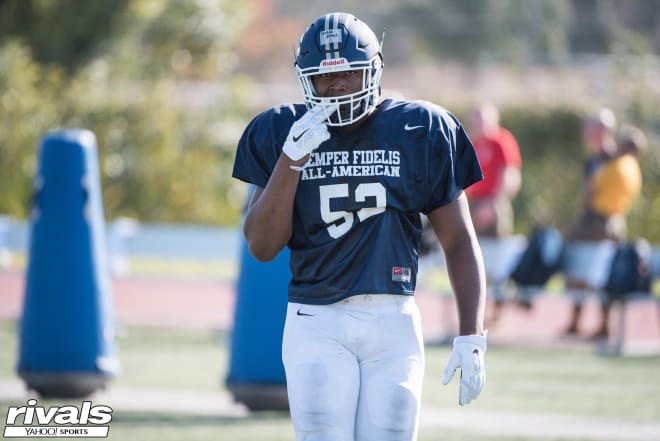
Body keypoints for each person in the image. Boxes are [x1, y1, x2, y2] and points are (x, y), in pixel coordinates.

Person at [232, 12, 488, 441]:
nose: (337, 87)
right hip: (317, 318)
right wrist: (291, 160)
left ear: (373, 69)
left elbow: (459, 239)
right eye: (324, 78)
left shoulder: (420, 129)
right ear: (305, 80)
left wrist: (471, 335)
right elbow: (261, 246)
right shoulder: (281, 130)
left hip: (394, 320)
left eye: (349, 73)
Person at [563, 109, 645, 340]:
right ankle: (577, 321)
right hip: (593, 220)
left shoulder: (614, 159)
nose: (587, 132)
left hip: (604, 222)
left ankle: (603, 325)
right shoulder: (594, 160)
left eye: (593, 127)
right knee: (580, 268)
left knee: (602, 272)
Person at [465, 102, 522, 238]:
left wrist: (492, 205)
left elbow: (511, 176)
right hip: (475, 203)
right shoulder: (474, 143)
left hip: (494, 205)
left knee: (495, 248)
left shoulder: (502, 141)